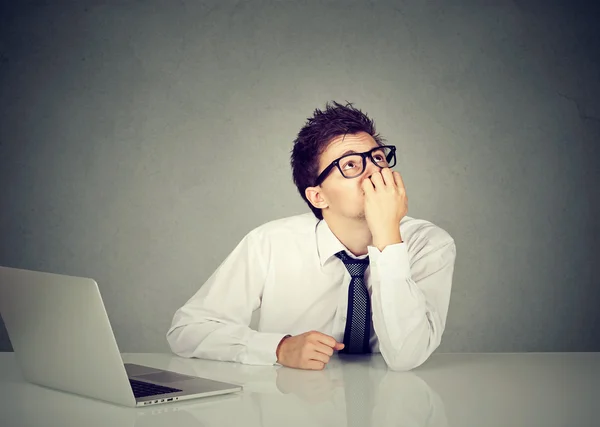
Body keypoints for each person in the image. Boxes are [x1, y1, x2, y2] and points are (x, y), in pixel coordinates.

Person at [167, 101, 456, 371]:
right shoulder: (269, 243)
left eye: (378, 158)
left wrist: (387, 236)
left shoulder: (430, 244)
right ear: (318, 196)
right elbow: (187, 330)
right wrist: (278, 348)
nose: (373, 172)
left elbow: (406, 357)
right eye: (351, 165)